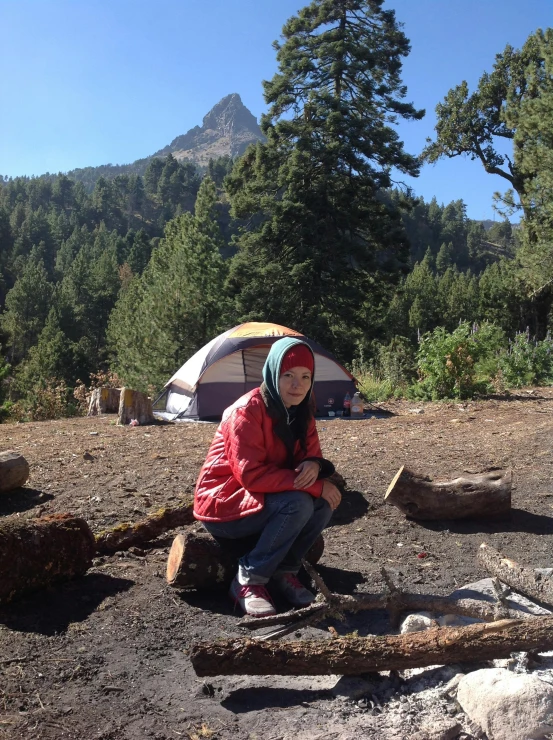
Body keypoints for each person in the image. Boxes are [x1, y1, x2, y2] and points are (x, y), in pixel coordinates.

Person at [193, 337, 342, 617]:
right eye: (288, 375)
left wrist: (313, 465)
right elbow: (251, 476)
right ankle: (249, 579)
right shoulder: (245, 412)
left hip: (265, 497)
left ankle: (284, 572)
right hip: (225, 503)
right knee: (300, 503)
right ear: (273, 374)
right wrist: (315, 486)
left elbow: (311, 453)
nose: (297, 384)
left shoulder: (302, 411)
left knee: (324, 503)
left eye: (305, 376)